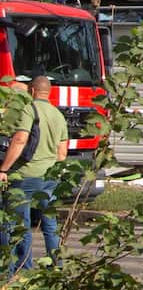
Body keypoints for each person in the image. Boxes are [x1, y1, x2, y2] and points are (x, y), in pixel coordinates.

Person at [0, 75, 67, 273]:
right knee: (50, 225)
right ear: (49, 92)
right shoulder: (58, 115)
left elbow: (20, 139)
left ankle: (21, 269)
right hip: (50, 178)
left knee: (20, 224)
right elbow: (62, 154)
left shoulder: (30, 109)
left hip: (27, 176)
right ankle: (56, 268)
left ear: (31, 91)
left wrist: (4, 169)